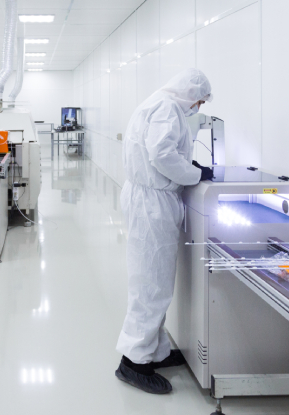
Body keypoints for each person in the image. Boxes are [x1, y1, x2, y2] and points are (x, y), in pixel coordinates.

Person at [115, 68, 214, 394]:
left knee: (154, 279)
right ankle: (133, 363)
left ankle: (152, 350)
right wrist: (195, 174)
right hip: (152, 203)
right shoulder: (168, 109)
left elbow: (158, 151)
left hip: (148, 198)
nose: (198, 107)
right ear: (190, 95)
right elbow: (161, 154)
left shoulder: (157, 103)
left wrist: (189, 170)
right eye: (199, 101)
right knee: (150, 283)